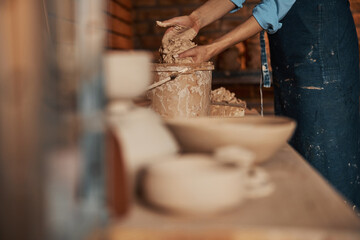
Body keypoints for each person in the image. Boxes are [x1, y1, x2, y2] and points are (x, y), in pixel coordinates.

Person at [160, 0, 360, 209]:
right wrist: (195, 19)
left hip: (324, 45)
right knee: (299, 159)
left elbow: (276, 5)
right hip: (292, 50)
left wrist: (212, 49)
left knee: (328, 161)